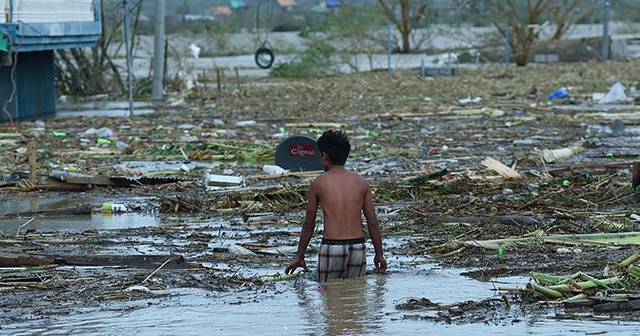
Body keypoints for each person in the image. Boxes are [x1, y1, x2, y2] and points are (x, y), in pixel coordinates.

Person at [285, 129, 387, 283]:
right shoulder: (361, 182)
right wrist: (379, 254)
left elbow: (309, 224)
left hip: (331, 249)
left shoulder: (318, 184)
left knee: (329, 298)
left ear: (325, 156)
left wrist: (299, 256)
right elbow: (372, 222)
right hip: (358, 248)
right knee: (355, 296)